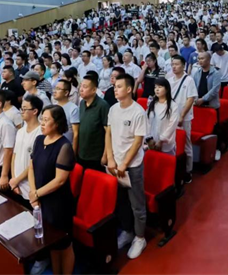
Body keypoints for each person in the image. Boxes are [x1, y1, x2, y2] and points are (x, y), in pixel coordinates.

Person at [28, 105, 75, 275]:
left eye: (46, 120)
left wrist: (36, 193)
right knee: (52, 243)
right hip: (40, 200)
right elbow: (31, 167)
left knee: (64, 244)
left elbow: (60, 180)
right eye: (42, 119)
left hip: (58, 204)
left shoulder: (64, 146)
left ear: (57, 123)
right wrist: (33, 192)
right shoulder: (39, 140)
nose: (42, 123)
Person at [106, 74, 147, 259]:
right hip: (115, 164)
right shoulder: (113, 109)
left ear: (129, 89)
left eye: (119, 86)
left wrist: (124, 164)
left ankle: (140, 237)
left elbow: (138, 142)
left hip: (132, 166)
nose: (115, 89)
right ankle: (128, 231)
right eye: (115, 86)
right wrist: (110, 158)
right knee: (121, 202)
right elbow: (108, 134)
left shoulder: (138, 112)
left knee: (137, 204)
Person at [167, 55, 198, 184]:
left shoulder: (189, 80)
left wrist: (181, 115)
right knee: (170, 143)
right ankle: (174, 169)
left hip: (183, 118)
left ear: (183, 65)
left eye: (177, 64)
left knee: (186, 143)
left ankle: (188, 170)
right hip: (171, 116)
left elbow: (190, 99)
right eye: (172, 64)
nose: (174, 67)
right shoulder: (169, 79)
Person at [10, 95, 43, 204]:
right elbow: (14, 155)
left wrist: (17, 180)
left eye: (24, 109)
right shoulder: (20, 131)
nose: (22, 112)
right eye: (21, 109)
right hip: (16, 185)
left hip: (30, 186)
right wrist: (14, 179)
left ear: (35, 111)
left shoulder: (40, 133)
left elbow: (34, 163)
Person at [76, 74, 110, 170]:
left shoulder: (103, 106)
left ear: (94, 90)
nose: (81, 89)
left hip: (96, 156)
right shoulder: (82, 103)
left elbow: (108, 132)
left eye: (85, 87)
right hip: (82, 153)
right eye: (81, 86)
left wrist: (105, 155)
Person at [145, 78, 180, 156]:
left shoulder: (173, 106)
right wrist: (149, 138)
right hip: (152, 142)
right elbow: (147, 121)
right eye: (155, 87)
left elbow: (172, 125)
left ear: (166, 89)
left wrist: (161, 140)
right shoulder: (152, 103)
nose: (157, 89)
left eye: (160, 87)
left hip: (167, 145)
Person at [52, 79, 78, 143]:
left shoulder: (73, 108)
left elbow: (76, 133)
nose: (54, 91)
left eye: (58, 89)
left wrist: (73, 149)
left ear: (66, 93)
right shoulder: (53, 107)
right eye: (55, 88)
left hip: (66, 145)